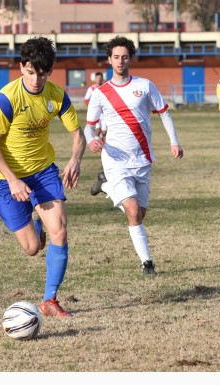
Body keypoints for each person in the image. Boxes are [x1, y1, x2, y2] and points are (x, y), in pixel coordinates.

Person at [0, 36, 86, 318]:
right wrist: (13, 180)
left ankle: (50, 300)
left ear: (49, 71)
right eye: (30, 72)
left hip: (43, 171)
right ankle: (36, 225)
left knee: (60, 231)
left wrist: (75, 158)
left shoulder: (56, 95)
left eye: (42, 73)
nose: (36, 79)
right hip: (6, 178)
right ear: (21, 67)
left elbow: (78, 134)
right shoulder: (7, 98)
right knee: (31, 248)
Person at [86, 35, 183, 277]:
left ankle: (106, 187)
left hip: (143, 160)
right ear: (109, 60)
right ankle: (147, 262)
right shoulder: (100, 93)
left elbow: (164, 113)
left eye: (125, 57)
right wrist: (91, 140)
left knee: (139, 214)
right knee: (131, 210)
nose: (120, 61)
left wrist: (174, 142)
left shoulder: (145, 86)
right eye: (116, 57)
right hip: (115, 160)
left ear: (131, 59)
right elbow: (89, 125)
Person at [84, 72, 108, 140]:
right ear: (95, 79)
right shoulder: (91, 89)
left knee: (104, 132)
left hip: (104, 113)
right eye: (97, 78)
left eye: (100, 78)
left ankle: (101, 142)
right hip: (96, 113)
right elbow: (86, 100)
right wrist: (92, 108)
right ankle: (98, 144)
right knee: (97, 130)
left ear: (102, 79)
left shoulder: (105, 88)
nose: (99, 80)